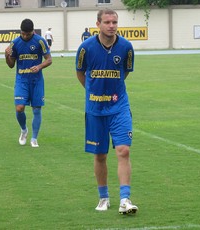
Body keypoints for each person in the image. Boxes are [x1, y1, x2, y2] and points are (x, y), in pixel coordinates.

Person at [75, 9, 138, 214]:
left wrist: (112, 93)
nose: (111, 25)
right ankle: (103, 198)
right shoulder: (85, 48)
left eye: (115, 22)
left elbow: (124, 73)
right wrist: (94, 92)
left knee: (124, 150)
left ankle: (125, 199)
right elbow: (80, 72)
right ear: (98, 24)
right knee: (100, 155)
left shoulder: (126, 47)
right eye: (107, 22)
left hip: (119, 106)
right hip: (95, 109)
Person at [5, 18, 52, 147]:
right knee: (19, 108)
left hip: (36, 80)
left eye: (28, 34)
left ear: (33, 31)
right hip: (21, 80)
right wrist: (6, 56)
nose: (25, 36)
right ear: (20, 31)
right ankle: (24, 130)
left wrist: (39, 66)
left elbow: (49, 59)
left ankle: (34, 138)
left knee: (36, 109)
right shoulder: (15, 43)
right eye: (23, 34)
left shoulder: (40, 41)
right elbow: (11, 65)